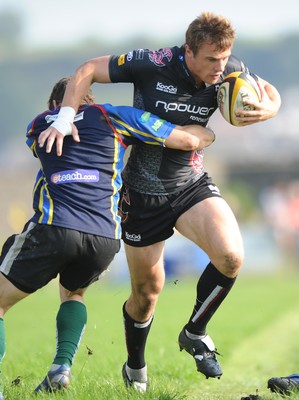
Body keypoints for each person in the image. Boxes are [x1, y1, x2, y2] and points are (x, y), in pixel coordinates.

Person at [38, 12, 281, 393]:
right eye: (211, 60)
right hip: (142, 194)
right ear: (188, 51)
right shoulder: (151, 64)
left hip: (190, 183)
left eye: (225, 58)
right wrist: (66, 116)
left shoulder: (229, 67)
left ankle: (195, 332)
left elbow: (269, 92)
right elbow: (87, 68)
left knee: (232, 257)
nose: (221, 68)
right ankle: (135, 367)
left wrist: (271, 109)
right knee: (146, 294)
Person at [0, 77, 215, 398]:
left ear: (55, 106)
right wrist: (208, 133)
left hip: (55, 228)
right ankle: (61, 367)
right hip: (104, 237)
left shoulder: (39, 124)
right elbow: (185, 140)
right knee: (73, 294)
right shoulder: (114, 116)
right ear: (90, 96)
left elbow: (51, 149)